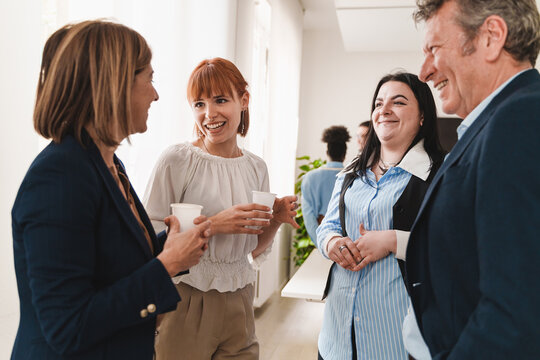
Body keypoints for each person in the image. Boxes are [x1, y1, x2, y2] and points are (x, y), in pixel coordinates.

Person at [11, 20, 212, 360]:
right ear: (116, 85)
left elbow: (110, 261)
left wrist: (176, 245)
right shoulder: (60, 175)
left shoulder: (107, 164)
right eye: (149, 78)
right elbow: (67, 326)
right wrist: (167, 264)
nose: (156, 93)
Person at [405, 0, 540, 358]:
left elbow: (516, 311)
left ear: (491, 38)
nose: (424, 72)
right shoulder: (496, 122)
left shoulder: (519, 119)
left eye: (434, 48)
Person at [143, 57, 298, 360]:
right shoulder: (177, 159)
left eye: (220, 100)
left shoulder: (256, 167)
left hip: (240, 300)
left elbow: (251, 251)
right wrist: (214, 224)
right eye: (198, 104)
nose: (209, 114)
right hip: (185, 297)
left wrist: (276, 220)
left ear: (244, 100)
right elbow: (153, 239)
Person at [316, 72, 445, 360]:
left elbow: (453, 247)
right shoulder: (352, 171)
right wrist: (332, 242)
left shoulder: (441, 174)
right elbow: (328, 226)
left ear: (423, 116)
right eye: (378, 104)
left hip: (394, 342)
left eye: (398, 102)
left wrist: (392, 241)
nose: (384, 110)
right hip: (337, 337)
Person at [301, 125, 350, 244]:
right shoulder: (353, 177)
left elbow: (309, 217)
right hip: (348, 242)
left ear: (327, 152)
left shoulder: (310, 177)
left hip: (323, 239)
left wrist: (322, 244)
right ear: (344, 154)